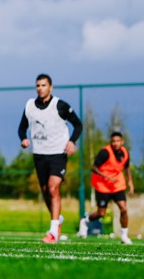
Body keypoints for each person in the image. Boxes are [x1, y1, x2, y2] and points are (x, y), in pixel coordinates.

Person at [18, 73, 82, 244]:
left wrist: (72, 141)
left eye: (44, 85)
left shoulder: (60, 105)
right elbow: (22, 128)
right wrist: (23, 139)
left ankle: (53, 232)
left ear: (50, 87)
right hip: (39, 154)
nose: (40, 88)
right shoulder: (29, 106)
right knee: (46, 191)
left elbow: (78, 124)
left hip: (58, 153)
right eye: (38, 85)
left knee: (54, 188)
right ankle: (57, 220)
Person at [79, 132, 135, 244]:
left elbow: (127, 167)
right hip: (102, 185)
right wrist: (107, 176)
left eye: (118, 141)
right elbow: (93, 167)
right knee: (101, 213)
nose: (115, 143)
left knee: (123, 208)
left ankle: (124, 236)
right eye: (113, 141)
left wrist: (130, 182)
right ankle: (85, 221)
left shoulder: (125, 153)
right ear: (111, 142)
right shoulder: (105, 153)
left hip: (117, 184)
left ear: (122, 142)